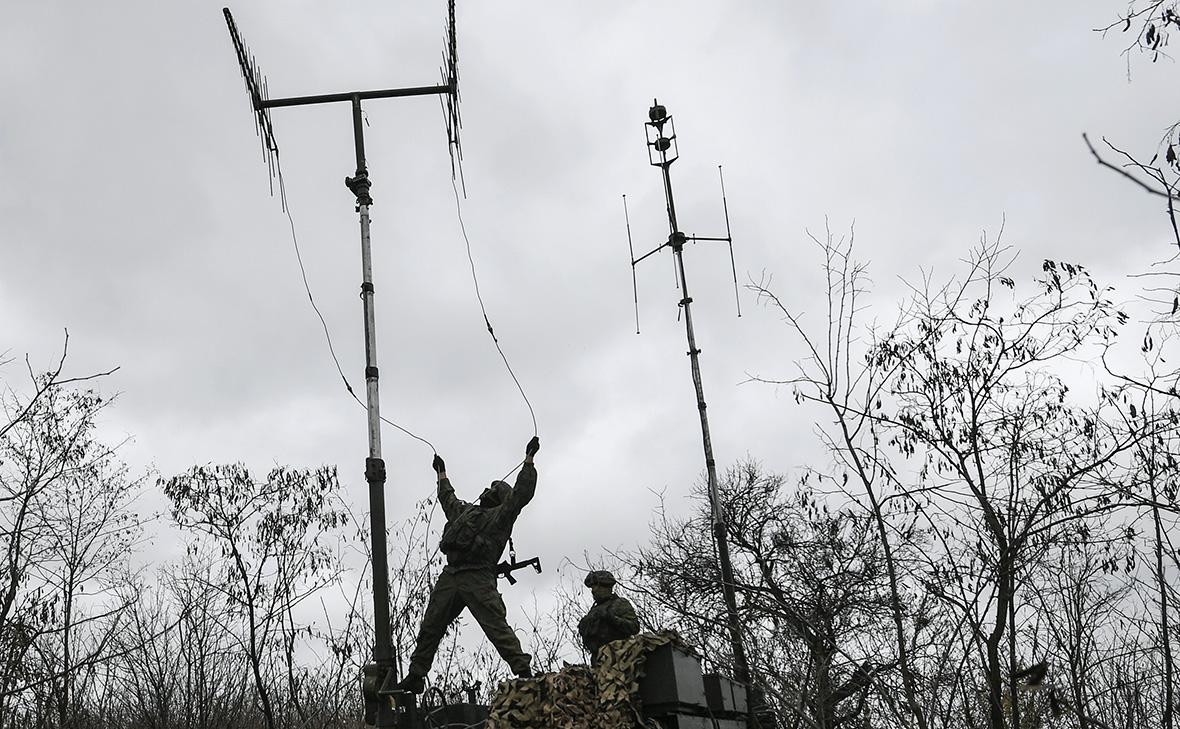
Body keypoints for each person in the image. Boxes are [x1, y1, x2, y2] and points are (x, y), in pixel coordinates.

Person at [394, 436, 541, 694]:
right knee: (431, 624)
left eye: (493, 490)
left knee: (496, 627)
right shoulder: (466, 513)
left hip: (478, 576)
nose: (487, 492)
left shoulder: (501, 516)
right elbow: (447, 499)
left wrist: (529, 460)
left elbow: (521, 493)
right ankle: (416, 675)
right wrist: (441, 473)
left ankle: (524, 671)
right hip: (452, 575)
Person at [577, 570, 640, 666]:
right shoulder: (594, 610)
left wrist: (612, 619)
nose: (594, 590)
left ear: (607, 587)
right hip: (598, 662)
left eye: (597, 586)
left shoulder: (619, 604)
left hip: (619, 659)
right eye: (593, 587)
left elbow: (634, 627)